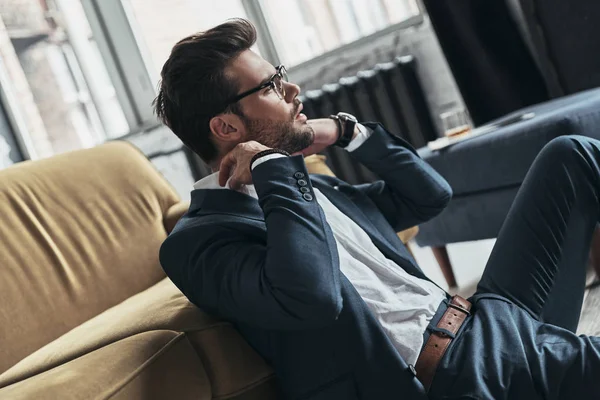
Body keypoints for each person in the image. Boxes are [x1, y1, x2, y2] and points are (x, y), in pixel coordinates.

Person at [156, 19, 600, 400]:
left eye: (281, 74)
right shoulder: (199, 241)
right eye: (271, 86)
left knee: (570, 155)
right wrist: (273, 165)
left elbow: (429, 195)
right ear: (227, 126)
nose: (292, 89)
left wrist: (348, 133)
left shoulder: (313, 190)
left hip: (487, 316)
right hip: (456, 371)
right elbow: (311, 294)